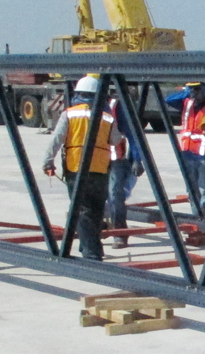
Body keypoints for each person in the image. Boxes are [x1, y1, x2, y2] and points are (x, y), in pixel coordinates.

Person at [41, 76, 123, 261]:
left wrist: (48, 161)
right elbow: (116, 139)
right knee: (96, 209)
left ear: (78, 94)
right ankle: (88, 246)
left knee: (82, 210)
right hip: (100, 169)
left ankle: (91, 254)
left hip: (76, 168)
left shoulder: (69, 114)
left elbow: (57, 139)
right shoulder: (107, 117)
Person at [166, 82, 205, 210]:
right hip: (186, 152)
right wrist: (186, 93)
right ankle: (196, 215)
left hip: (203, 154)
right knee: (191, 190)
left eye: (197, 90)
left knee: (204, 189)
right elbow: (168, 100)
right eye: (192, 90)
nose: (195, 94)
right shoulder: (186, 103)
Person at [104, 97, 145, 248]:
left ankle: (119, 234)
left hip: (115, 160)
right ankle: (96, 230)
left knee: (115, 196)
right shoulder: (81, 105)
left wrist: (137, 159)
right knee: (93, 196)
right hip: (93, 160)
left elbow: (132, 134)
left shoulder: (115, 106)